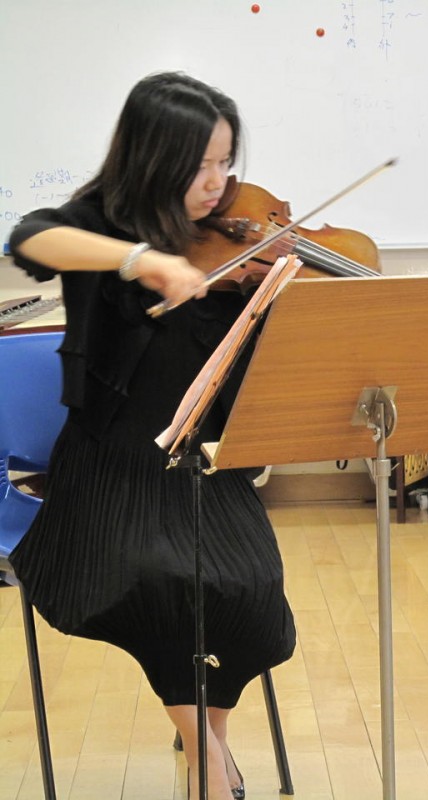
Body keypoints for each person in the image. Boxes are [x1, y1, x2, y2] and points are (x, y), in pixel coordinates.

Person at [8, 72, 297, 800]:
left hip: (207, 468)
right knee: (162, 584)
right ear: (154, 156)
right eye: (200, 164)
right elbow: (29, 239)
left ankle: (208, 746)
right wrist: (142, 259)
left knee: (248, 590)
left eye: (225, 162)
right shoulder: (101, 221)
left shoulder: (231, 244)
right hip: (110, 466)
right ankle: (210, 763)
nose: (217, 183)